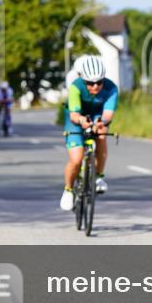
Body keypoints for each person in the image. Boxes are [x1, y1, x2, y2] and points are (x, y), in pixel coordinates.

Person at [60, 55, 118, 211]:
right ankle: (68, 190)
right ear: (83, 80)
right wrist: (82, 122)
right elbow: (74, 115)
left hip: (97, 116)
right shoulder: (75, 87)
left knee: (101, 134)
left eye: (99, 82)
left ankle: (99, 176)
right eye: (90, 83)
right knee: (77, 159)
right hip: (76, 118)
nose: (95, 87)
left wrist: (101, 123)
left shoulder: (111, 88)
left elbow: (108, 114)